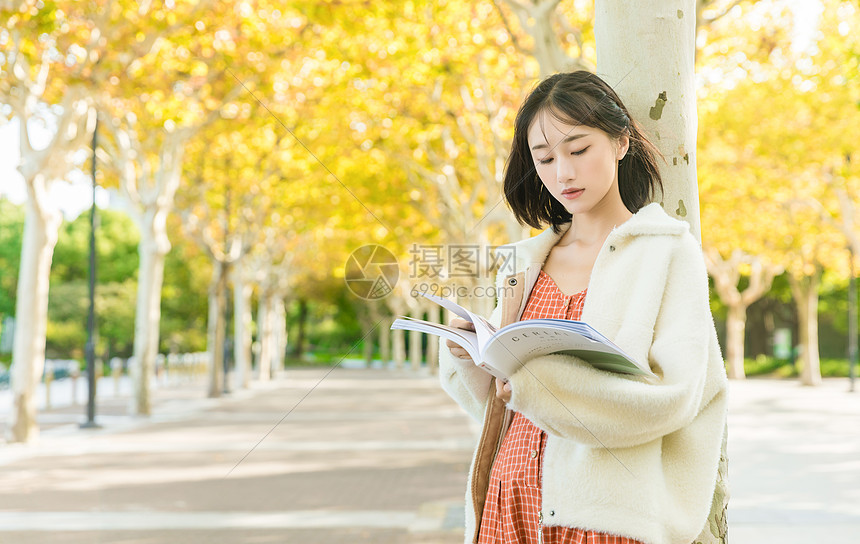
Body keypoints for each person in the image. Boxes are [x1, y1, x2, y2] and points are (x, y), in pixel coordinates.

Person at [438, 71, 728, 544]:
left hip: (602, 520)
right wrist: (470, 356)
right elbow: (503, 405)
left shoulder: (665, 254)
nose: (563, 174)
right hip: (505, 506)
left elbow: (675, 398)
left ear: (619, 142)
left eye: (578, 150)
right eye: (545, 158)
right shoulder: (523, 262)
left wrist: (541, 386)